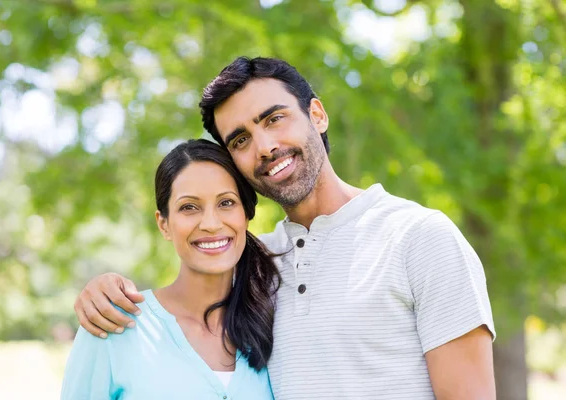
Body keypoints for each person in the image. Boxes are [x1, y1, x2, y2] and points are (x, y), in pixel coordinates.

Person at [73, 57, 497, 399]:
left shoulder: (420, 237)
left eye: (274, 119)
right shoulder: (257, 264)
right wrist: (101, 290)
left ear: (317, 114)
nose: (265, 146)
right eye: (240, 140)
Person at [61, 139, 279, 399]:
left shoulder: (274, 319)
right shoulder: (112, 323)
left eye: (226, 203)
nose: (210, 223)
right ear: (164, 224)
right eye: (189, 207)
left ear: (245, 214)